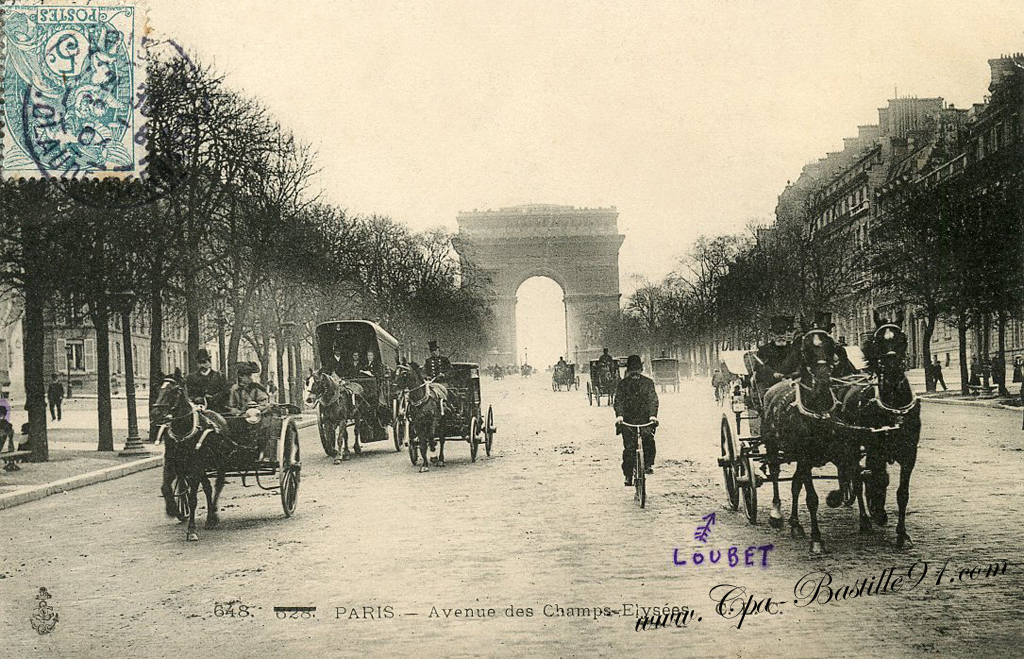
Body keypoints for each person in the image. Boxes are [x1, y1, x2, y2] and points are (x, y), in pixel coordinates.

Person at [614, 354, 659, 486]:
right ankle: (628, 475)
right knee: (629, 448)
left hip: (645, 419)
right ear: (628, 370)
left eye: (637, 370)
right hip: (628, 421)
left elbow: (653, 400)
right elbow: (619, 401)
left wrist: (653, 415)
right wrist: (620, 415)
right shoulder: (622, 385)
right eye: (632, 370)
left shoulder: (648, 383)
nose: (635, 373)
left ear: (640, 370)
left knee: (649, 441)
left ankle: (648, 464)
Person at [753, 315, 800, 402]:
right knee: (764, 398)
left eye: (783, 333)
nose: (780, 336)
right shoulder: (764, 350)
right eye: (777, 333)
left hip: (792, 381)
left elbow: (799, 364)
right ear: (772, 335)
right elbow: (760, 367)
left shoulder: (794, 350)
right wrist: (773, 374)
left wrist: (794, 374)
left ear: (787, 334)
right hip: (770, 382)